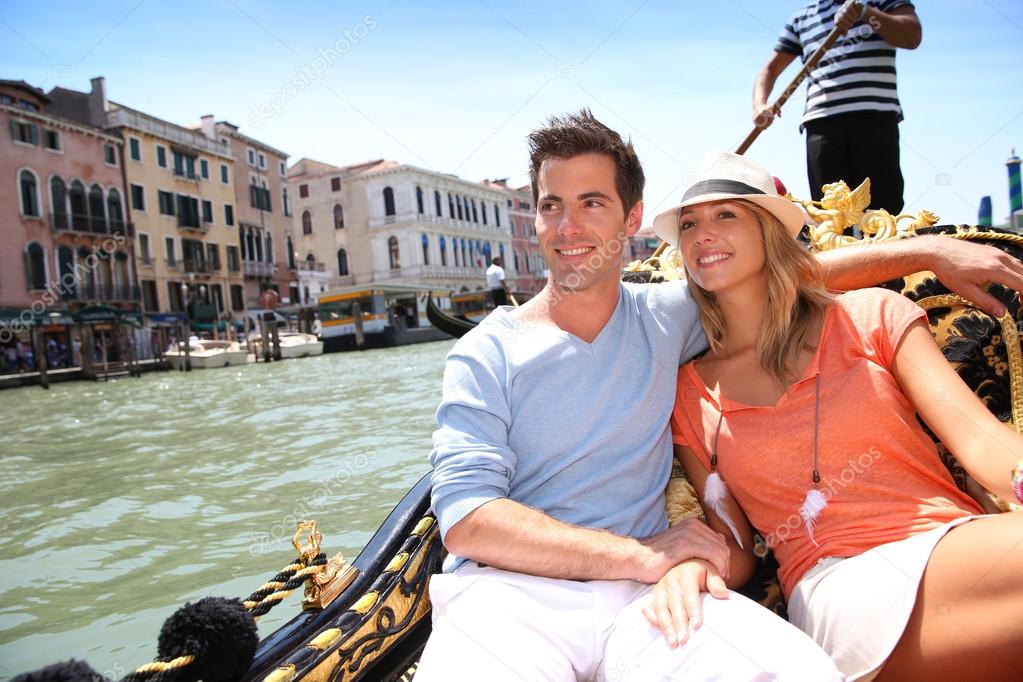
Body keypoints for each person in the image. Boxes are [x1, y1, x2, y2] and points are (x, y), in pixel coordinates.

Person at [421, 110, 1023, 681]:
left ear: (630, 220)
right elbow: (469, 519)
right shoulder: (487, 351)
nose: (568, 227)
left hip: (647, 600)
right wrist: (653, 556)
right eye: (551, 206)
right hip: (516, 591)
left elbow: (781, 279)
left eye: (592, 203)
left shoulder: (667, 319)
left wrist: (924, 251)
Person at [654, 150, 1023, 680]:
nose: (701, 234)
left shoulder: (872, 316)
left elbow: (983, 442)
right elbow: (736, 550)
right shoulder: (689, 391)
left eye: (726, 215)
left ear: (771, 234)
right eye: (689, 224)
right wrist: (689, 559)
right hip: (840, 587)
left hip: (955, 544)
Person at [753, 0, 922, 214]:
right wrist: (760, 104)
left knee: (883, 210)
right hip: (821, 125)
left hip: (874, 119)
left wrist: (866, 13)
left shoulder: (879, 2)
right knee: (830, 213)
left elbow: (912, 36)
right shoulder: (801, 19)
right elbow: (769, 69)